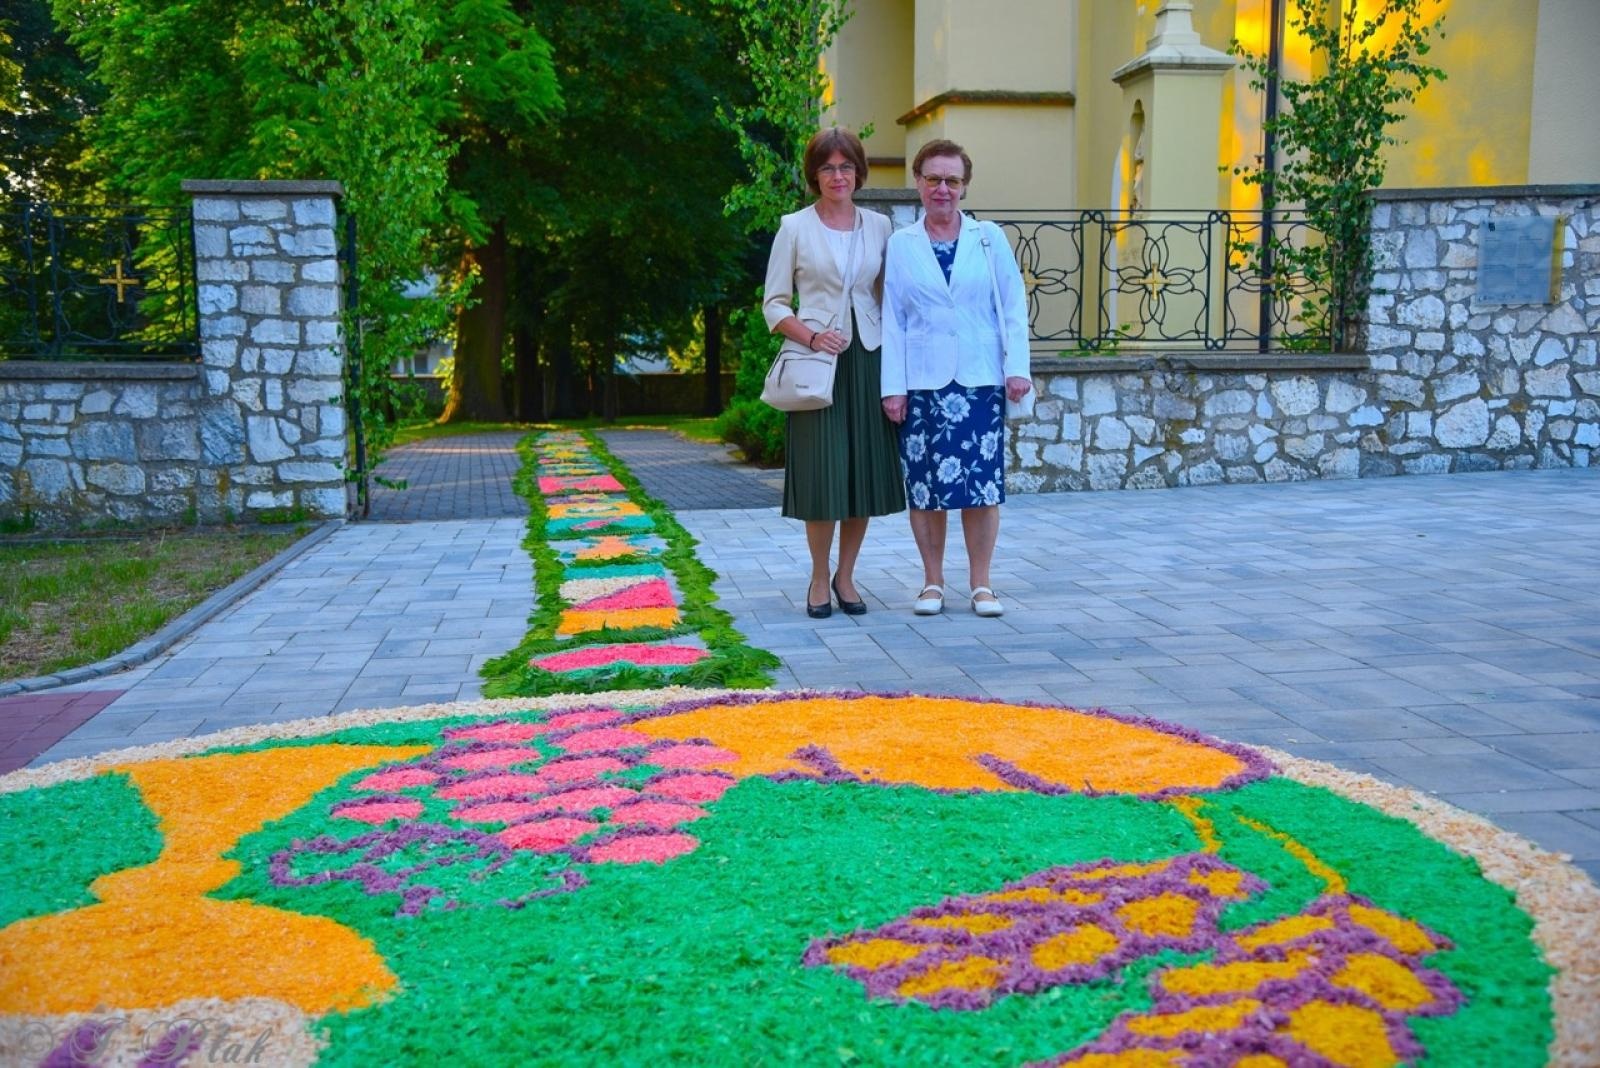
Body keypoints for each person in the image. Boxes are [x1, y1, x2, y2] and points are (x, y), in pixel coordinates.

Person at [880, 139, 1032, 618]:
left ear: (964, 186)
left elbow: (1012, 305)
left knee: (981, 488)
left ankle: (982, 585)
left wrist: (1017, 368)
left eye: (951, 180)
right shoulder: (901, 244)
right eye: (933, 179)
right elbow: (893, 320)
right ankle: (932, 583)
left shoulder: (989, 238)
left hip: (979, 380)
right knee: (926, 489)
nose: (942, 188)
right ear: (918, 182)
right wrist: (893, 388)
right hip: (923, 384)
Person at [763, 128, 906, 618]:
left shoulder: (881, 227)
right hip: (816, 364)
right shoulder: (794, 227)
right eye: (827, 167)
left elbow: (890, 297)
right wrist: (811, 336)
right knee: (823, 475)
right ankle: (819, 577)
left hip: (868, 359)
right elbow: (773, 304)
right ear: (815, 174)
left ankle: (847, 576)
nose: (838, 175)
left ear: (859, 173)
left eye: (846, 166)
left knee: (862, 474)